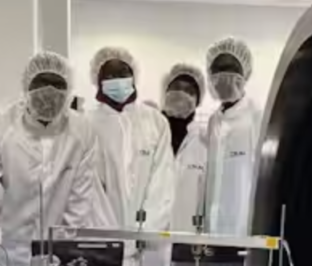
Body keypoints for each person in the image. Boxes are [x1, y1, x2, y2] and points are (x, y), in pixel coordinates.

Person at [0, 51, 110, 266]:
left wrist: (63, 251)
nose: (49, 93)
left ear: (69, 91)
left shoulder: (82, 132)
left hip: (53, 260)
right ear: (26, 88)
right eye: (41, 84)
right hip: (3, 256)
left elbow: (79, 201)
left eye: (57, 85)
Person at [86, 46, 175, 237]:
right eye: (109, 76)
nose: (117, 80)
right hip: (102, 242)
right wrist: (110, 239)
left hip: (147, 243)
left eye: (123, 73)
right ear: (98, 80)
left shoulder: (155, 122)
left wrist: (145, 232)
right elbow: (90, 190)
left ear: (134, 77)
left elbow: (163, 182)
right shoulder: (87, 124)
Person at [205, 37, 262, 236]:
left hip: (243, 232)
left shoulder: (257, 118)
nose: (224, 75)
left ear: (244, 73)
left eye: (231, 68)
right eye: (218, 69)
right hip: (210, 232)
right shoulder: (213, 121)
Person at [161, 63, 208, 232]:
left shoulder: (204, 142)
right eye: (177, 87)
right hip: (146, 238)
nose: (182, 94)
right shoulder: (148, 134)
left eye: (190, 91)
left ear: (198, 100)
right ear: (165, 91)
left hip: (185, 235)